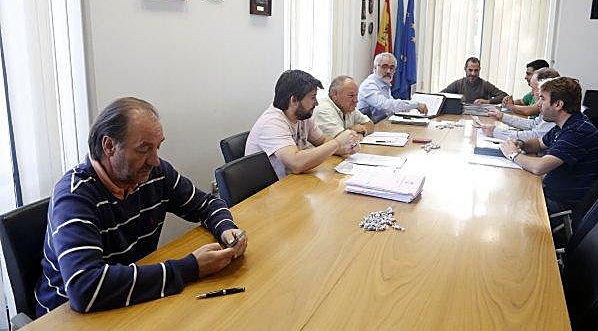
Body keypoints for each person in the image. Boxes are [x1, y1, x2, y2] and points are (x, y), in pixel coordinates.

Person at [35, 97, 247, 316]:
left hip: (129, 300)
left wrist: (226, 229)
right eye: (144, 149)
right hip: (66, 316)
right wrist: (190, 268)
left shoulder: (155, 174)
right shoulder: (74, 196)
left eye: (157, 147)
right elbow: (85, 288)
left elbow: (207, 203)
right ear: (109, 146)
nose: (154, 160)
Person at [499, 77, 598, 213]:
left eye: (542, 99)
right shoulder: (565, 124)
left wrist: (513, 154)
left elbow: (539, 167)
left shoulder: (578, 131)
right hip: (551, 191)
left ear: (558, 104)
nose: (538, 104)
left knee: (506, 204)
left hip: (562, 204)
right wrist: (520, 144)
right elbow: (539, 143)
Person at [245, 70, 358, 179]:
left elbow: (322, 141)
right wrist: (337, 143)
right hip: (269, 189)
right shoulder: (272, 122)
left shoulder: (302, 115)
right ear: (294, 100)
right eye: (313, 97)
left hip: (292, 181)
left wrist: (345, 148)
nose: (316, 103)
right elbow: (295, 163)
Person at [483, 68, 560, 141]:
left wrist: (496, 132)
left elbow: (535, 135)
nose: (532, 94)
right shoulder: (549, 109)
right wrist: (502, 116)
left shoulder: (552, 112)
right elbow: (534, 124)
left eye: (534, 89)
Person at [357, 53, 427, 123]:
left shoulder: (383, 83)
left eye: (392, 68)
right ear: (375, 68)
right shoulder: (369, 85)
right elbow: (386, 106)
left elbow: (392, 105)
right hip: (369, 127)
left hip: (381, 124)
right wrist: (416, 105)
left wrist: (406, 108)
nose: (388, 71)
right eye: (384, 67)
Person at [441, 57, 508, 104]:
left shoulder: (484, 84)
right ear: (465, 69)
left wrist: (487, 101)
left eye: (476, 70)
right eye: (470, 70)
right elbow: (440, 95)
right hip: (460, 117)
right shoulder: (458, 84)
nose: (473, 74)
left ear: (479, 70)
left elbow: (504, 96)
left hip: (480, 117)